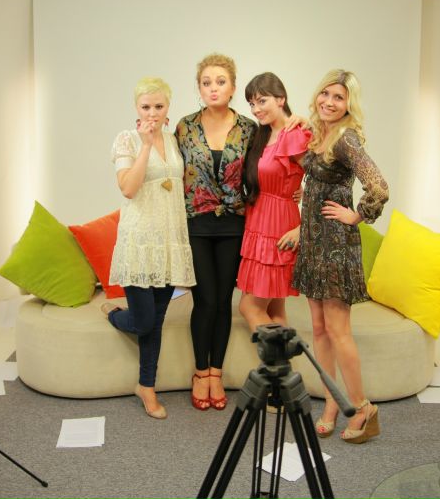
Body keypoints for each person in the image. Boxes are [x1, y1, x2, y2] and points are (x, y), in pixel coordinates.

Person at [292, 69, 389, 444]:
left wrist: (358, 215)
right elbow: (321, 179)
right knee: (318, 329)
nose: (329, 102)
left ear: (349, 104)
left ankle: (362, 407)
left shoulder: (347, 137)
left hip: (335, 245)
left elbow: (378, 186)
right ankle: (333, 401)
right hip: (313, 242)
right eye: (326, 94)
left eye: (339, 97)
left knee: (338, 331)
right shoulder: (320, 134)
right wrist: (307, 195)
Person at [103, 76, 195, 420]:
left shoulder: (174, 140)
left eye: (159, 106)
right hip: (140, 242)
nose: (152, 113)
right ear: (136, 108)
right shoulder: (126, 140)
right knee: (142, 322)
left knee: (156, 321)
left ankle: (146, 386)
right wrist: (144, 145)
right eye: (146, 107)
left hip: (169, 241)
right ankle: (114, 314)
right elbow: (128, 188)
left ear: (168, 107)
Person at [175, 53, 255, 411]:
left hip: (235, 225)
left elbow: (262, 172)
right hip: (196, 223)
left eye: (220, 81)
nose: (213, 88)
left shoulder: (249, 128)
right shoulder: (185, 127)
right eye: (206, 82)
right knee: (204, 300)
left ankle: (216, 373)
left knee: (223, 301)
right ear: (199, 88)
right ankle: (200, 371)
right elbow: (172, 171)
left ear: (233, 87)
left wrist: (293, 190)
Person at [236, 72, 311, 332]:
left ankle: (281, 358)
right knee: (274, 310)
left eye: (262, 101)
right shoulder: (264, 134)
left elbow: (323, 183)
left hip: (279, 227)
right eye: (251, 103)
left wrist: (302, 228)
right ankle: (288, 359)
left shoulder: (295, 134)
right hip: (259, 221)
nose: (256, 109)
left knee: (249, 307)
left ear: (281, 99)